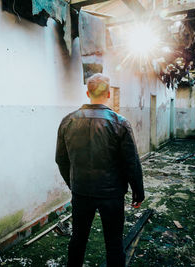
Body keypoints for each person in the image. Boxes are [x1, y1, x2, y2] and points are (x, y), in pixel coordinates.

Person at [55, 73, 145, 267]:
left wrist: (74, 184)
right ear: (108, 94)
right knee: (114, 243)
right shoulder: (119, 123)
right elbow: (132, 163)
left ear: (88, 92)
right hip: (112, 195)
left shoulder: (67, 121)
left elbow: (61, 160)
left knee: (78, 240)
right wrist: (138, 192)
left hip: (81, 193)